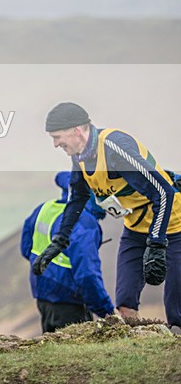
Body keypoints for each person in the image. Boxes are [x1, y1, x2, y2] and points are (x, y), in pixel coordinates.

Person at [33, 102, 181, 331]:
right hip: (135, 228)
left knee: (176, 311)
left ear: (77, 130)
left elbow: (165, 192)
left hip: (173, 225)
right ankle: (138, 356)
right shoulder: (80, 156)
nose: (55, 144)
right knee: (125, 304)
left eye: (57, 137)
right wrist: (59, 240)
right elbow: (77, 199)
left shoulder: (113, 148)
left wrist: (157, 243)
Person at [21, 171, 114, 333]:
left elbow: (26, 249)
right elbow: (87, 276)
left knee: (52, 350)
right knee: (76, 355)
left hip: (43, 297)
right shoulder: (84, 223)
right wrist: (107, 312)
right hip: (71, 302)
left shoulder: (44, 209)